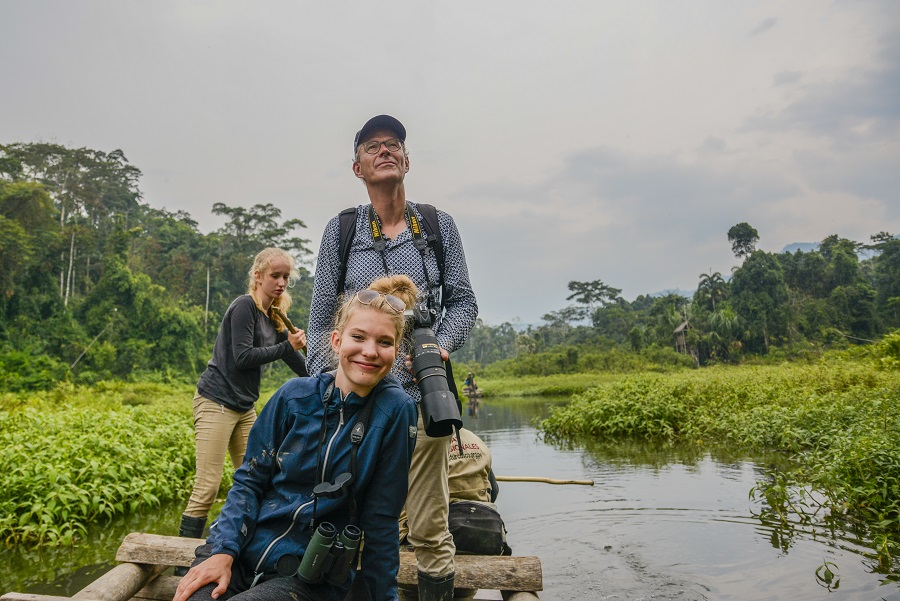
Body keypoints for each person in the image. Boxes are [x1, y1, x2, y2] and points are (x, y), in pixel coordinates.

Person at [307, 115, 478, 600]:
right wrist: (329, 384)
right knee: (351, 517)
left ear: (407, 160)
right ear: (357, 167)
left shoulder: (438, 225)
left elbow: (464, 301)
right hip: (358, 400)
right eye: (372, 146)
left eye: (394, 145)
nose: (384, 151)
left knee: (428, 525)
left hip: (423, 397)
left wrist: (437, 348)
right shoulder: (341, 230)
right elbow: (321, 319)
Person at [173, 275, 420, 601]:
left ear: (396, 349)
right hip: (244, 551)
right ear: (336, 341)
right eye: (358, 337)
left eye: (384, 342)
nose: (370, 352)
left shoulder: (395, 410)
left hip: (311, 574)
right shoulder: (294, 396)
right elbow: (249, 481)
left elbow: (382, 519)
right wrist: (222, 551)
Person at [176, 248, 310, 551]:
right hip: (216, 401)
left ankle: (238, 549)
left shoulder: (273, 315)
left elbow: (295, 364)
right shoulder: (244, 307)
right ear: (258, 275)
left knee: (256, 481)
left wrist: (324, 378)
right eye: (275, 275)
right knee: (207, 487)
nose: (281, 282)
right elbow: (242, 357)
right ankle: (180, 561)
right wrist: (288, 346)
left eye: (286, 277)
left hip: (244, 406)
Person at [397, 428, 511, 601]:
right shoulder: (476, 441)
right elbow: (493, 492)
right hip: (478, 541)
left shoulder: (413, 439)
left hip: (423, 552)